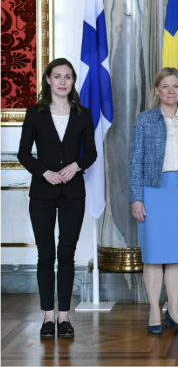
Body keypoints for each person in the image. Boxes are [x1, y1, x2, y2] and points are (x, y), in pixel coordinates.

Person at [18, 58, 97, 339]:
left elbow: (91, 153)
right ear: (48, 81)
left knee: (66, 255)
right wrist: (45, 173)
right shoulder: (35, 113)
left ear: (73, 82)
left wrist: (76, 166)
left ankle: (64, 317)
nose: (63, 82)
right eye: (58, 77)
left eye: (68, 77)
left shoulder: (83, 114)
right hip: (42, 194)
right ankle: (47, 318)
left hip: (73, 194)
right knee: (45, 255)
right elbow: (24, 154)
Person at [129, 67, 178, 333]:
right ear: (156, 90)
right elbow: (134, 162)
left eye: (175, 86)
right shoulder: (144, 119)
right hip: (153, 191)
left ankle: (174, 310)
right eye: (165, 86)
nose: (171, 91)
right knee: (153, 255)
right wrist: (136, 198)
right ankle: (154, 310)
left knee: (176, 255)